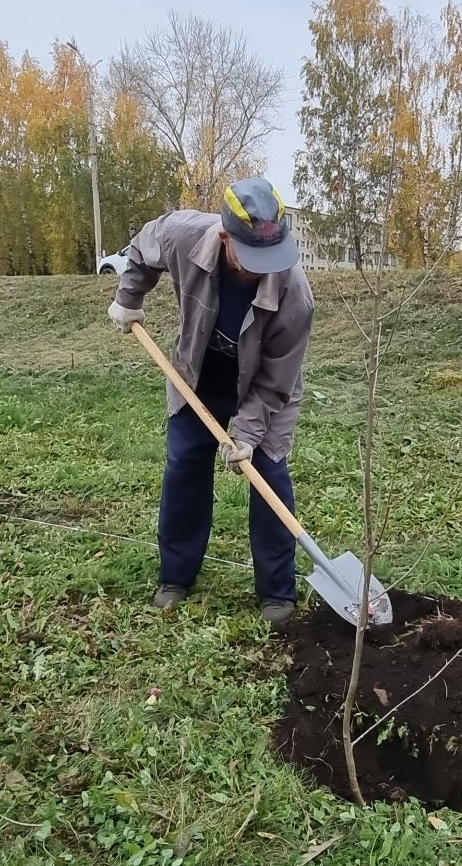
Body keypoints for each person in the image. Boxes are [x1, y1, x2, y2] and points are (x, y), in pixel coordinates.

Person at [107, 177, 313, 629]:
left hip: (264, 385)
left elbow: (277, 380)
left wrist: (248, 435)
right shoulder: (182, 233)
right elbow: (140, 249)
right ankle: (177, 575)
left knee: (268, 473)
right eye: (252, 257)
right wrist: (129, 297)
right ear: (224, 236)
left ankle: (277, 590)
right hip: (197, 369)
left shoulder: (295, 293)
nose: (264, 269)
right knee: (184, 463)